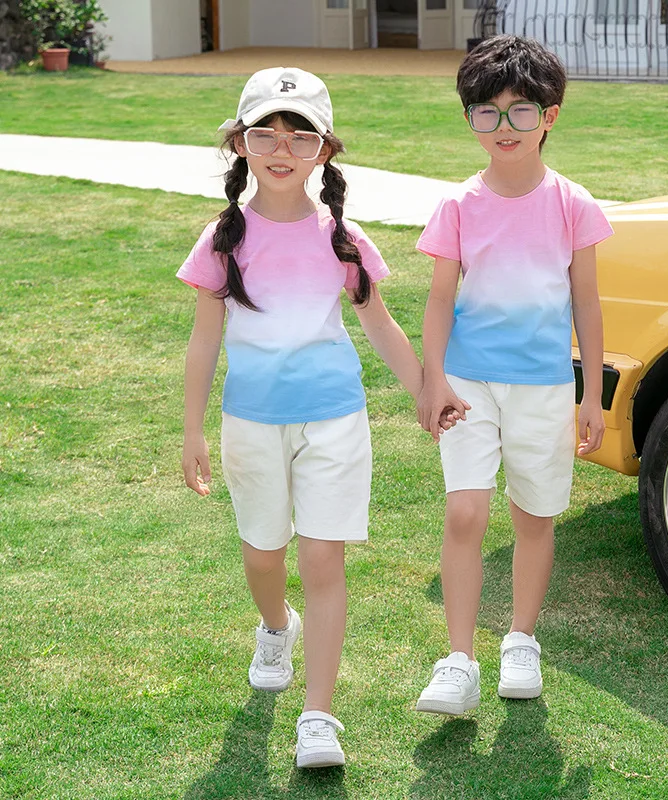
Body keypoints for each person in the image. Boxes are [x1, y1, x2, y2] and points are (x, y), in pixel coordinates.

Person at [177, 67, 459, 768]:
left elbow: (381, 325)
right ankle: (276, 627)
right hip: (251, 422)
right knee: (263, 555)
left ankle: (319, 717)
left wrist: (428, 388)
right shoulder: (223, 239)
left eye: (299, 133)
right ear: (238, 145)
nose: (281, 146)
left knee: (321, 557)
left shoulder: (343, 237)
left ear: (323, 150)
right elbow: (204, 339)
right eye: (264, 132)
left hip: (335, 420)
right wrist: (191, 429)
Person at [414, 35, 613, 715]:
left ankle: (520, 639)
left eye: (521, 111)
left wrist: (591, 394)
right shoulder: (458, 207)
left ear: (551, 115)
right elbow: (440, 300)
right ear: (469, 117)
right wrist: (431, 380)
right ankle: (460, 658)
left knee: (534, 515)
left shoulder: (573, 204)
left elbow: (586, 300)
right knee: (465, 511)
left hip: (546, 388)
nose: (504, 127)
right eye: (487, 111)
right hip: (469, 384)